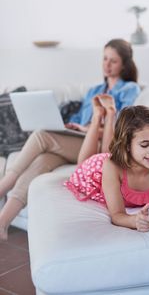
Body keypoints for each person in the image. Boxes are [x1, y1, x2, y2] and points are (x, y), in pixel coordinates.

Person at [0, 38, 140, 241]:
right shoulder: (93, 91)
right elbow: (78, 119)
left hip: (98, 143)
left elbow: (120, 124)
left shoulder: (129, 89)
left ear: (124, 65)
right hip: (79, 138)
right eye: (104, 59)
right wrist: (69, 126)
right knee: (41, 161)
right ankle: (3, 223)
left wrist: (87, 128)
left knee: (41, 135)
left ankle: (5, 184)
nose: (107, 65)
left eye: (113, 61)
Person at [65, 103, 149, 232]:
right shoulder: (111, 167)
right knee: (86, 161)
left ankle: (109, 116)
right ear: (127, 145)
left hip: (123, 160)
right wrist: (134, 221)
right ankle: (98, 117)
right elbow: (117, 215)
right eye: (145, 145)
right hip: (96, 169)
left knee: (109, 151)